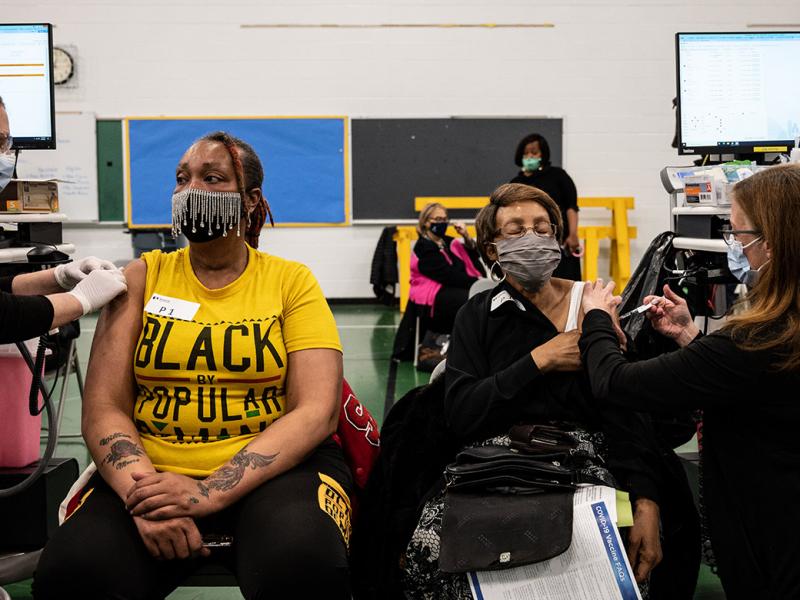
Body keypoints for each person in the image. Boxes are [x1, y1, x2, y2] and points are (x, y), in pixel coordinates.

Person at [33, 132, 353, 599]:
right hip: (149, 471)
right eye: (182, 179)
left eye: (213, 178)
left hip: (277, 475)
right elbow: (103, 405)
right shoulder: (143, 276)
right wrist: (146, 500)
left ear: (251, 200)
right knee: (74, 572)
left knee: (302, 564)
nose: (191, 190)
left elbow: (317, 410)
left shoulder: (291, 281)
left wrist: (208, 494)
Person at [402, 183, 664, 598]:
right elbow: (463, 412)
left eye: (543, 228)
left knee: (609, 551)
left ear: (559, 239)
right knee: (430, 546)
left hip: (584, 460)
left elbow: (625, 412)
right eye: (515, 229)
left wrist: (646, 501)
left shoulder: (593, 306)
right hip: (494, 462)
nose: (532, 238)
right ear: (492, 251)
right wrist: (538, 361)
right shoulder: (478, 315)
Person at [579, 163, 800, 600]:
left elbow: (616, 381)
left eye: (737, 233)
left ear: (769, 243)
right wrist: (688, 337)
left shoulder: (750, 340)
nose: (733, 244)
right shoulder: (772, 333)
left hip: (770, 528)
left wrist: (598, 322)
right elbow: (749, 385)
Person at [510, 133, 582, 281]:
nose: (530, 156)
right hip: (529, 247)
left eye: (534, 152)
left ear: (543, 154)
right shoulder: (515, 183)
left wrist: (573, 234)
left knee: (566, 284)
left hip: (560, 244)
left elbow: (571, 206)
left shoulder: (558, 175)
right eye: (526, 153)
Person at [410, 202, 484, 334]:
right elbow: (447, 275)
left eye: (444, 219)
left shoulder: (447, 241)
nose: (442, 223)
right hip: (431, 293)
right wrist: (477, 283)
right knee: (473, 300)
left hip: (448, 287)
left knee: (479, 298)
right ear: (426, 222)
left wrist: (465, 236)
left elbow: (473, 254)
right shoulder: (423, 247)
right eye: (438, 219)